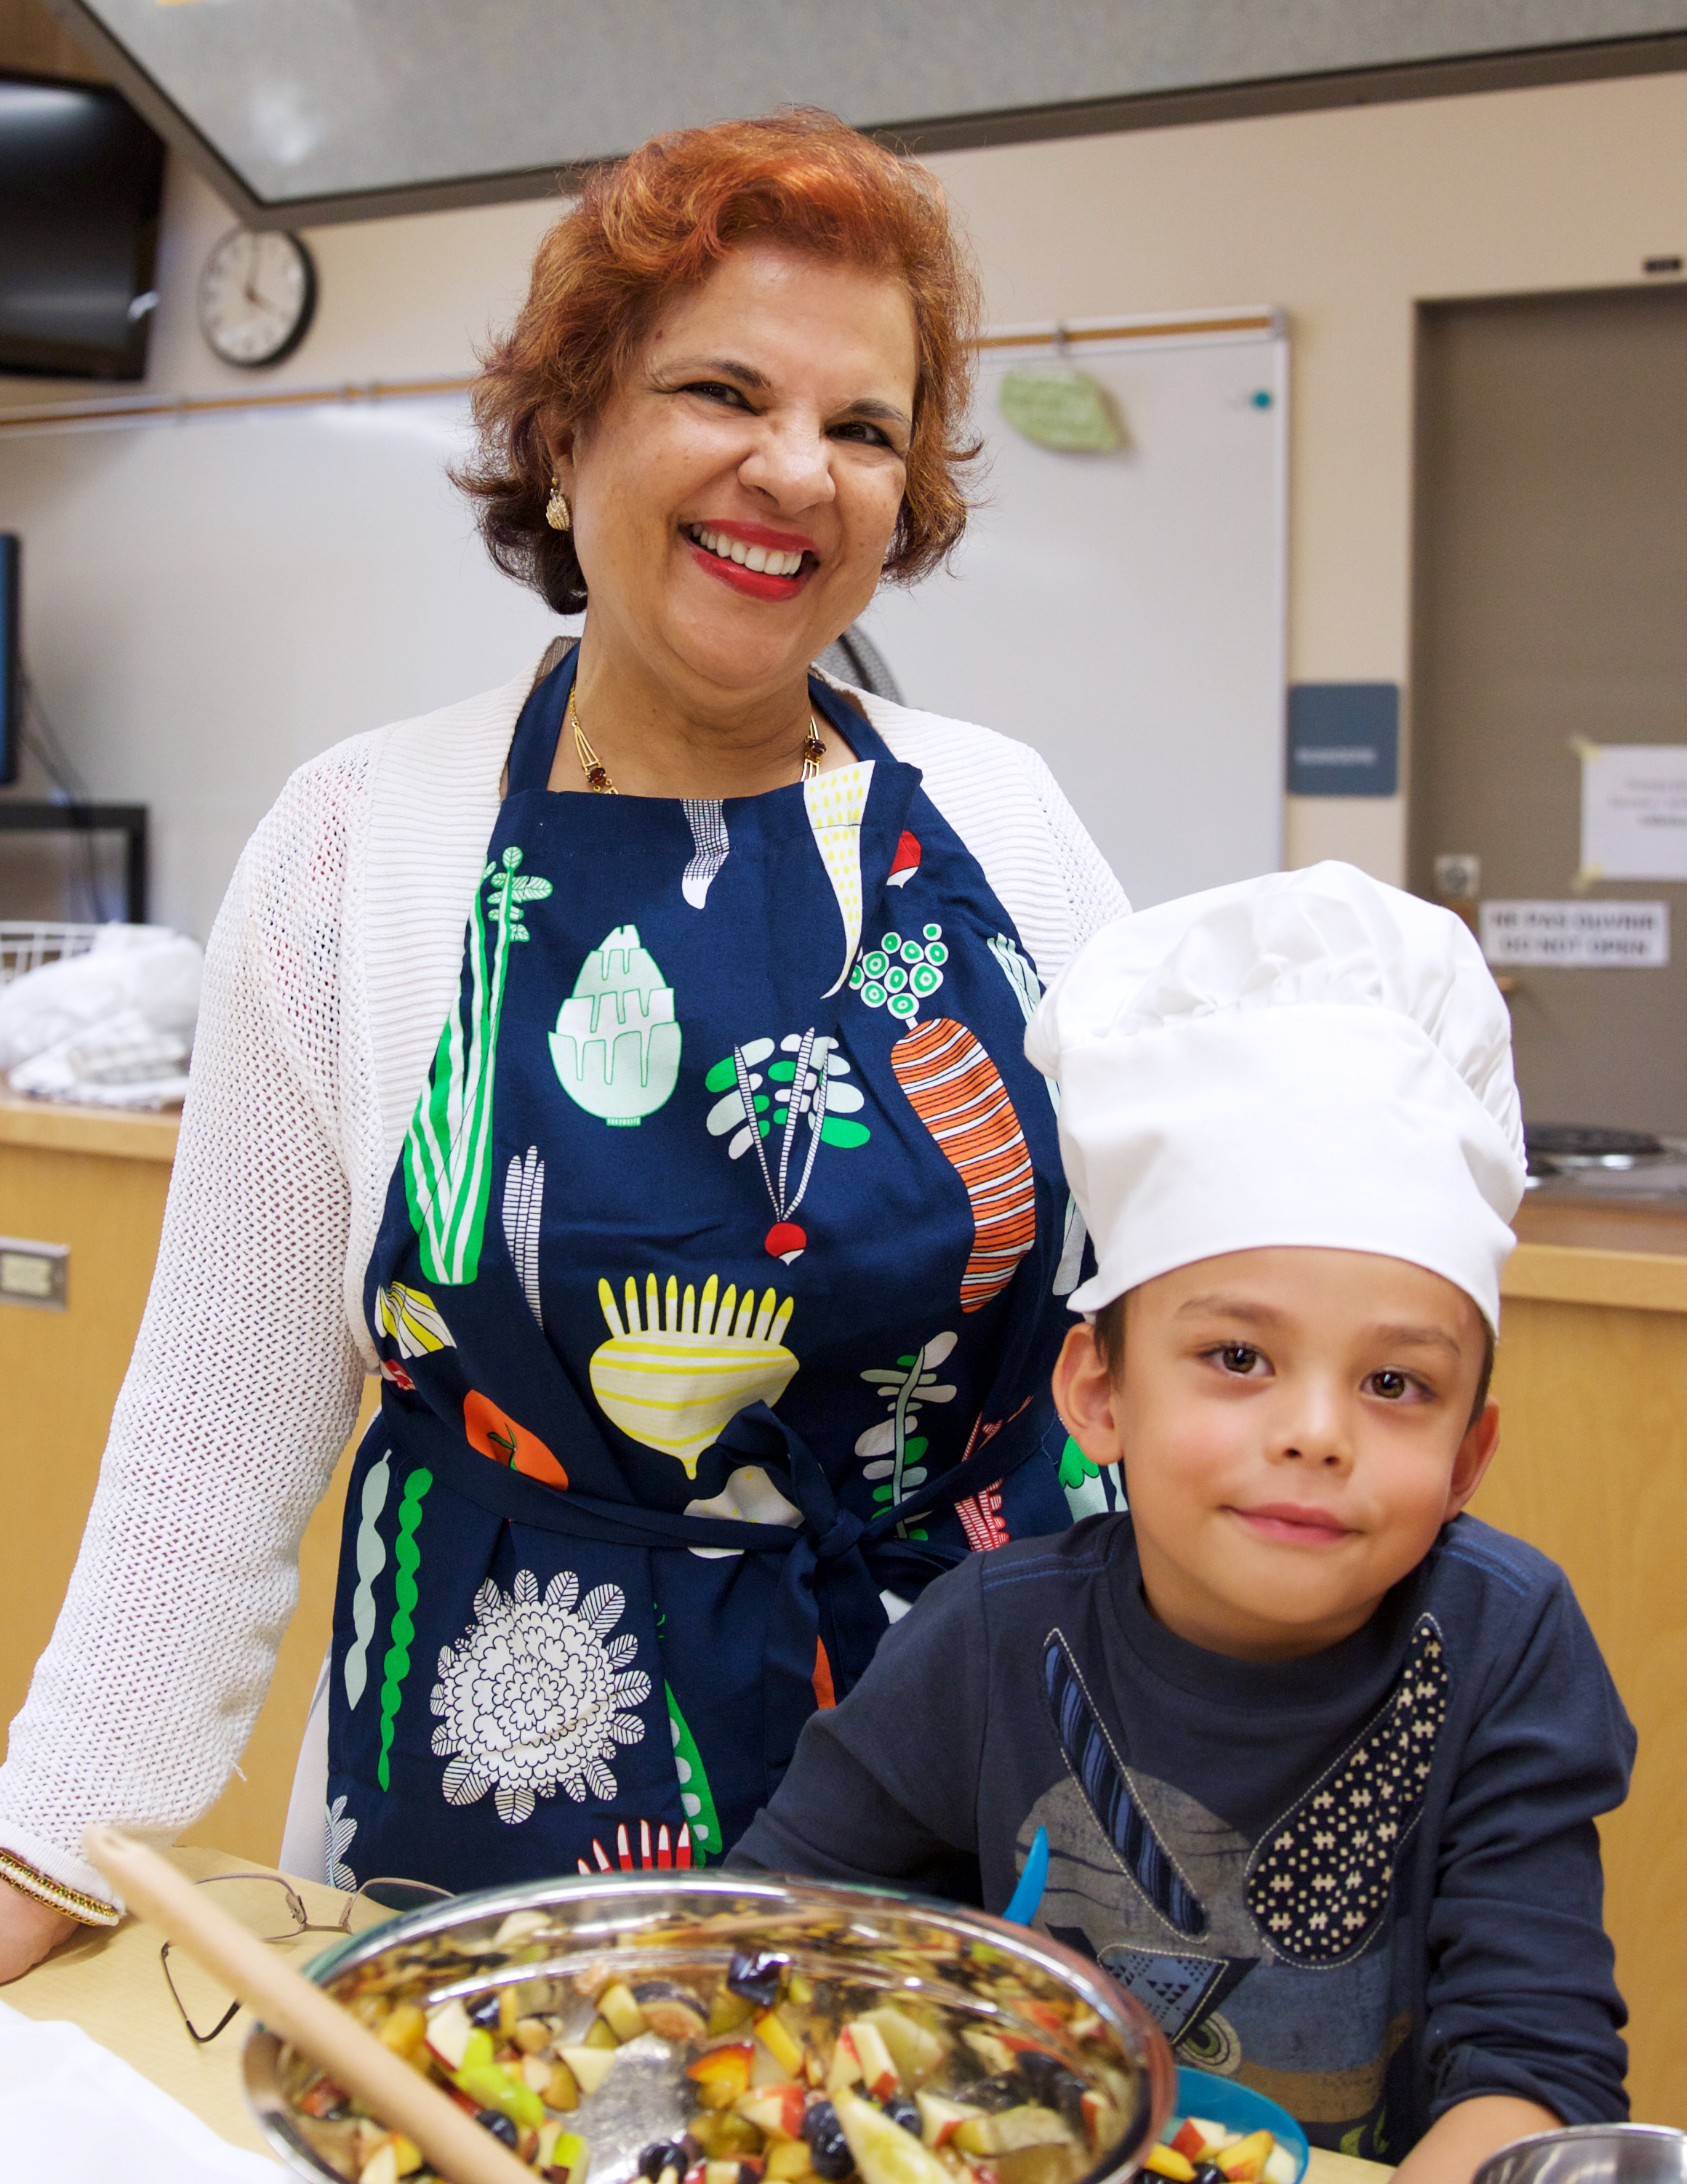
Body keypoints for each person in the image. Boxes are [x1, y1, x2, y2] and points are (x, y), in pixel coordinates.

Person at [0, 111, 1128, 1976]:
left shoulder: (1004, 824)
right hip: (497, 1792)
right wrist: (45, 1850)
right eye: (722, 391)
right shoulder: (364, 840)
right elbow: (217, 1429)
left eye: (862, 428)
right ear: (570, 421)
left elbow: (1162, 1313)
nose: (796, 471)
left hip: (976, 1767)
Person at [734, 862, 1634, 2178]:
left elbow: (1535, 2068)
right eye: (1238, 1359)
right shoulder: (987, 1643)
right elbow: (771, 1943)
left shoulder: (1503, 1645)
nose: (1316, 1431)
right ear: (1101, 1394)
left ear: (1467, 1456)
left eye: (1396, 1385)